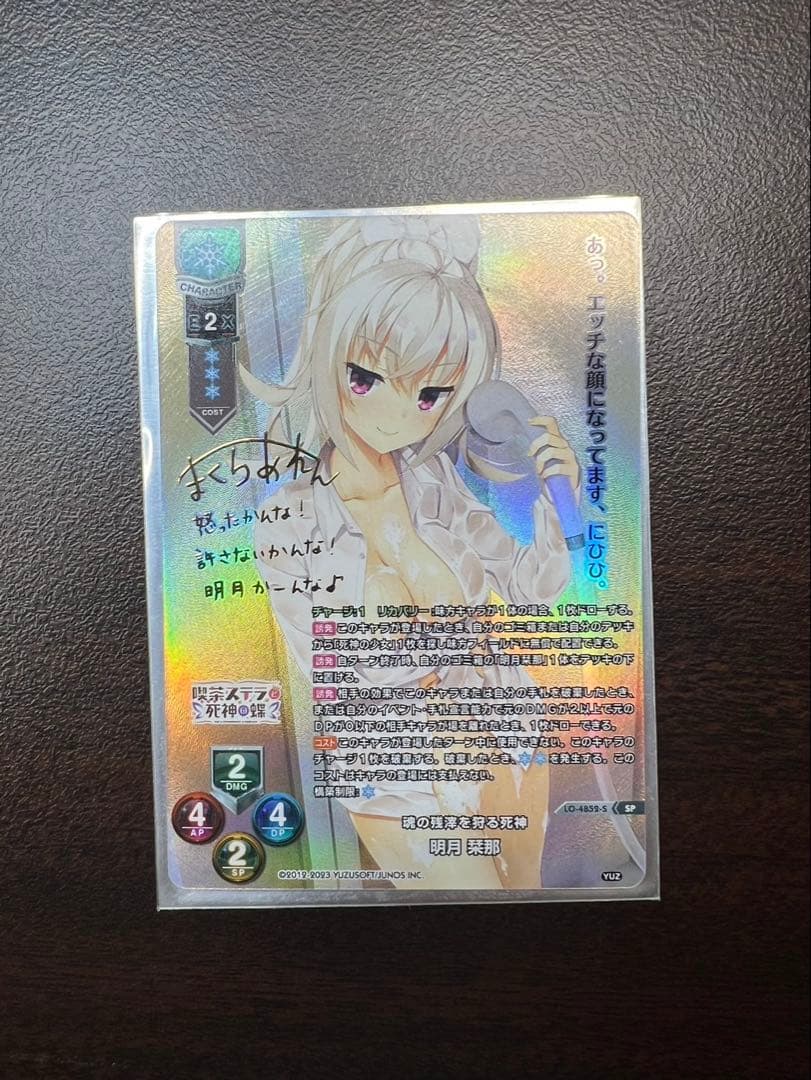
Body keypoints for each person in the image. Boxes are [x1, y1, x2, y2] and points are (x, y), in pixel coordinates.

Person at [241, 213, 580, 888]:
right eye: (365, 377)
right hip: (393, 768)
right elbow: (330, 669)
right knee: (467, 915)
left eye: (430, 394)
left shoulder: (435, 481)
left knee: (528, 906)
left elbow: (528, 587)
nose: (398, 415)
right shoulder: (287, 520)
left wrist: (558, 500)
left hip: (502, 725)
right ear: (327, 355)